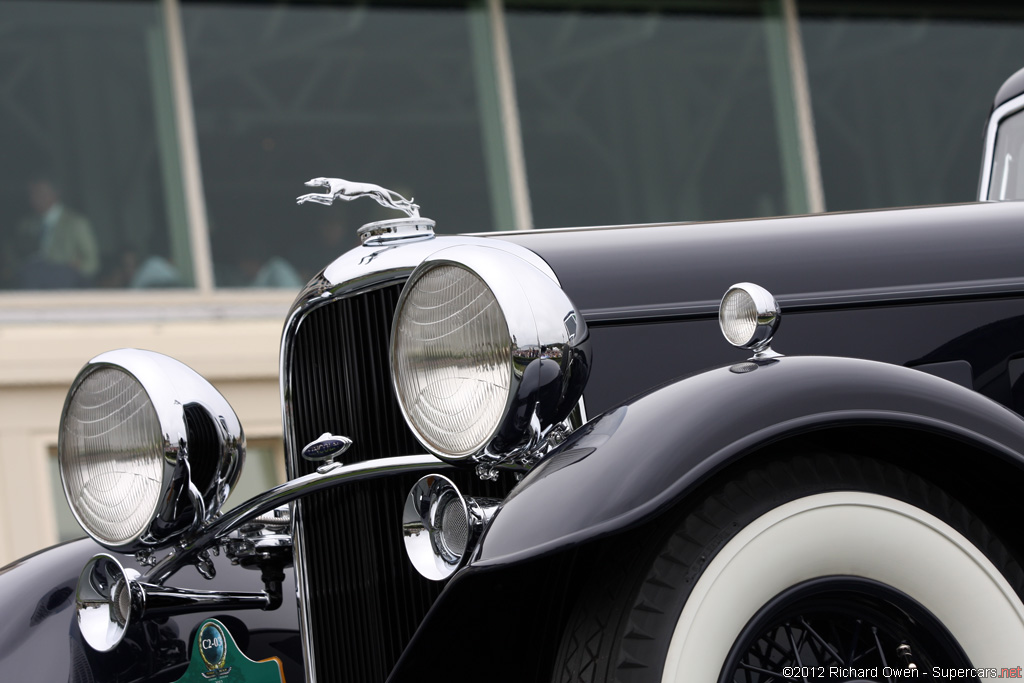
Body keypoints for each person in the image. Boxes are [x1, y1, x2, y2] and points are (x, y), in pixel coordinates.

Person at [11, 175, 100, 289]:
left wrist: (73, 268)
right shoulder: (26, 225)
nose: (34, 198)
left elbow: (92, 262)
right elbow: (16, 257)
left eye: (39, 193)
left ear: (55, 193)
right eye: (32, 194)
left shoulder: (76, 223)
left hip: (65, 288)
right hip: (32, 289)